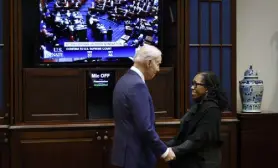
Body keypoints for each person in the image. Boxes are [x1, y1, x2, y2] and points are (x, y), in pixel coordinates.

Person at [111, 44, 176, 168]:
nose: (158, 69)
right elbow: (145, 127)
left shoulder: (124, 80)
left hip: (125, 155)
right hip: (136, 157)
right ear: (149, 63)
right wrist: (164, 151)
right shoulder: (137, 85)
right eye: (158, 64)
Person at [166, 71, 229, 168]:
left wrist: (173, 151)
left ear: (207, 88)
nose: (192, 87)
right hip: (190, 160)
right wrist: (162, 147)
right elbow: (181, 136)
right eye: (192, 84)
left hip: (203, 162)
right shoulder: (197, 106)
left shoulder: (212, 110)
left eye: (196, 84)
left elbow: (197, 139)